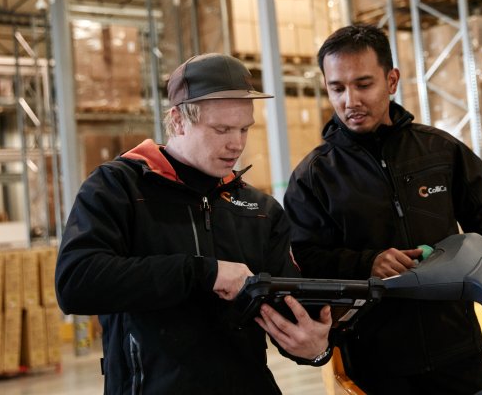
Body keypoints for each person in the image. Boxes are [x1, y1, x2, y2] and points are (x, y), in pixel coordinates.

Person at [285, 24, 482, 394]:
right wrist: (367, 263)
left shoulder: (440, 152)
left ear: (391, 81)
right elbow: (304, 259)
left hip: (456, 348)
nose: (350, 101)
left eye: (363, 84)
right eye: (337, 88)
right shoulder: (314, 177)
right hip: (375, 361)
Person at [55, 53, 332, 395]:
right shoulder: (119, 189)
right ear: (178, 121)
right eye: (221, 129)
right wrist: (203, 273)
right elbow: (75, 283)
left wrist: (314, 349)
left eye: (244, 128)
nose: (237, 143)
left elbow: (286, 313)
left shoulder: (259, 210)